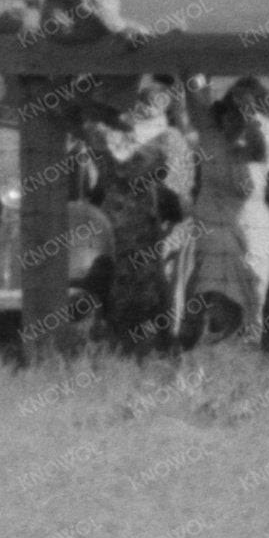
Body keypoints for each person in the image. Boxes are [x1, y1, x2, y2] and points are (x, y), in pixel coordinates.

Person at [87, 75, 193, 349]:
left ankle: (141, 338)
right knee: (126, 275)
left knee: (144, 277)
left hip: (147, 218)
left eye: (155, 103)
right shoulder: (118, 134)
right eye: (143, 101)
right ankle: (125, 336)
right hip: (123, 217)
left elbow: (178, 184)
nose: (145, 108)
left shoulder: (168, 139)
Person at [188, 80, 269, 344]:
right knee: (216, 278)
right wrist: (186, 70)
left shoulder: (267, 131)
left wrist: (249, 121)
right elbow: (193, 94)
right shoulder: (210, 130)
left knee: (254, 283)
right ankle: (211, 338)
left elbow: (257, 153)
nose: (234, 121)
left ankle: (246, 343)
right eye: (232, 112)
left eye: (244, 112)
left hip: (252, 218)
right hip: (213, 216)